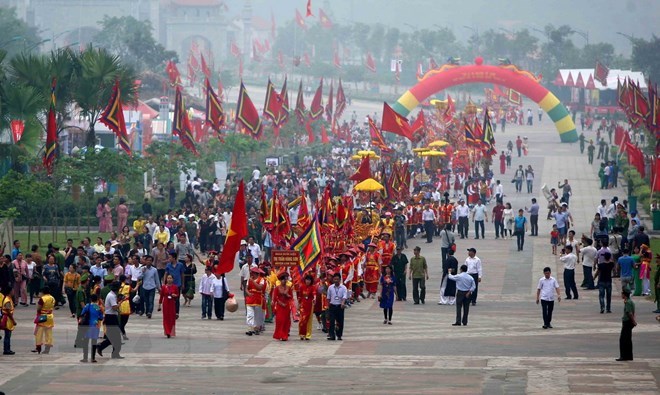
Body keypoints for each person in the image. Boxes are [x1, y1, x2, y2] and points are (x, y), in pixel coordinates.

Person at [97, 281, 123, 359]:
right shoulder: (111, 296)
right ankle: (101, 347)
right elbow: (114, 307)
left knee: (114, 337)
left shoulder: (112, 295)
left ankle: (113, 352)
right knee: (115, 337)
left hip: (111, 317)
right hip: (111, 318)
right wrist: (121, 302)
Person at [77, 294, 103, 363]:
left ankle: (85, 358)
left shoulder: (87, 306)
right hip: (95, 325)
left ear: (91, 299)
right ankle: (93, 358)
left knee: (86, 342)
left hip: (87, 325)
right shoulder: (98, 307)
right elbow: (101, 317)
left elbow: (82, 314)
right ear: (97, 300)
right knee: (94, 342)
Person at [32, 285, 56, 354]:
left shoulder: (42, 299)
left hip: (42, 316)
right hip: (50, 316)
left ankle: (38, 347)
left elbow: (39, 308)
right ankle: (47, 348)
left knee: (39, 332)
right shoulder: (52, 298)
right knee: (48, 332)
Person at [326, 272, 347, 341]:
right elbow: (328, 298)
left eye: (337, 279)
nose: (336, 281)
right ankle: (332, 335)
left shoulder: (343, 288)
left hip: (340, 306)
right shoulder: (330, 287)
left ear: (340, 280)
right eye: (335, 279)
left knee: (340, 321)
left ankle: (339, 335)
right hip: (332, 306)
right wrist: (328, 307)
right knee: (331, 321)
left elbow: (344, 296)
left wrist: (343, 303)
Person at [272, 272, 293, 341]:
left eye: (285, 279)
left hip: (286, 306)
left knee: (286, 321)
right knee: (280, 320)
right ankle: (279, 334)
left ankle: (284, 335)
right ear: (280, 280)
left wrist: (287, 295)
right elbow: (275, 297)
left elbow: (291, 297)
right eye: (283, 279)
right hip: (279, 306)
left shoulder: (289, 288)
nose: (284, 281)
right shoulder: (277, 288)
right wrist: (279, 303)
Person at [617, 288, 636, 361]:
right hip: (629, 322)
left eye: (622, 294)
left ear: (624, 295)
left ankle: (623, 356)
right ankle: (629, 356)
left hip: (627, 322)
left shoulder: (628, 302)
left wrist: (633, 321)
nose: (621, 295)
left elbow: (630, 313)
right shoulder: (630, 301)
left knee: (623, 340)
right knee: (628, 339)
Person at [158, 274, 179, 338]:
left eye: (170, 278)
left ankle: (171, 331)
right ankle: (167, 332)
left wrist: (175, 295)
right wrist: (159, 305)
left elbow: (177, 295)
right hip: (166, 303)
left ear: (173, 279)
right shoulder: (164, 287)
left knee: (172, 317)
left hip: (172, 303)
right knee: (166, 317)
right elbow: (161, 296)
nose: (169, 280)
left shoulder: (175, 287)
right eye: (168, 278)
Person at [297, 274, 316, 340]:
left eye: (309, 280)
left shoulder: (313, 287)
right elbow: (299, 296)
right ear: (305, 280)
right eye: (307, 279)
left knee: (309, 320)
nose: (308, 281)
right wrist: (298, 305)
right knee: (302, 319)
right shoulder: (302, 287)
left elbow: (314, 294)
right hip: (303, 305)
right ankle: (301, 334)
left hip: (310, 305)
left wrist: (314, 299)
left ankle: (308, 334)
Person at [1, 284, 17, 355]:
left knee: (8, 335)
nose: (13, 292)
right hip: (7, 318)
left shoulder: (9, 299)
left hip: (8, 318)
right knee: (7, 335)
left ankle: (8, 348)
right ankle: (6, 349)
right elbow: (8, 311)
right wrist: (13, 320)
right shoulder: (7, 300)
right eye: (12, 290)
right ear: (10, 291)